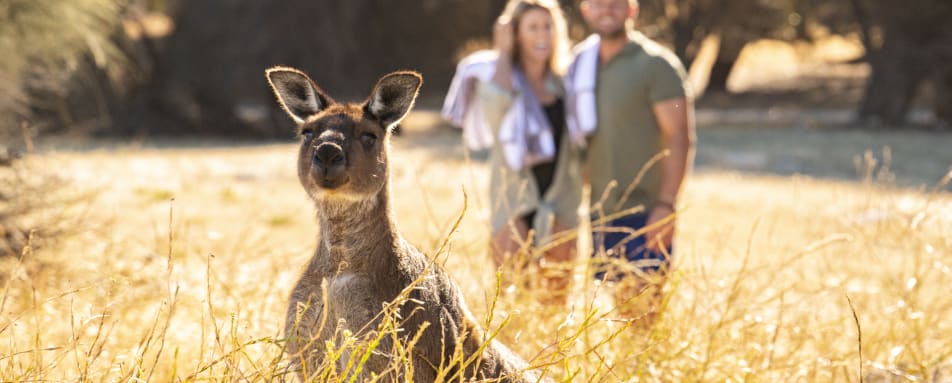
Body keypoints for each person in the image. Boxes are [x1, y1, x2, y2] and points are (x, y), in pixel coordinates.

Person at [442, 0, 587, 299]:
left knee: (555, 301)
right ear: (516, 34)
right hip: (512, 201)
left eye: (548, 27)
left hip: (561, 199)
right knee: (511, 298)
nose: (542, 35)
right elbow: (498, 106)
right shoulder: (498, 77)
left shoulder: (567, 83)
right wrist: (504, 51)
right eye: (532, 27)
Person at [566, 0, 695, 321]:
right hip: (600, 211)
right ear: (585, 10)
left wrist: (666, 205)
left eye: (615, 3)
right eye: (598, 4)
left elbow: (679, 136)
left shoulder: (656, 64)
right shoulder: (580, 64)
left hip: (646, 212)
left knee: (644, 313)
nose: (606, 10)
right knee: (618, 312)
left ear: (632, 9)